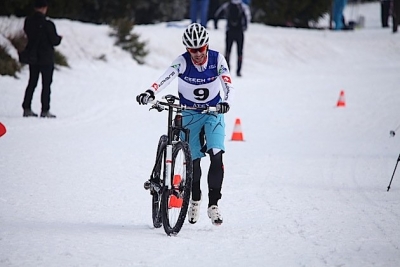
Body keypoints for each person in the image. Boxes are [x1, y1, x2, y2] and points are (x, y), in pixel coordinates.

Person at [136, 23, 234, 226]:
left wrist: (227, 103)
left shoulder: (217, 59)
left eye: (200, 49)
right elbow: (165, 78)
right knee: (194, 161)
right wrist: (150, 92)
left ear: (206, 45)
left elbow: (228, 84)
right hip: (189, 113)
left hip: (213, 112)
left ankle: (214, 204)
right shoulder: (182, 61)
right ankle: (195, 199)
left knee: (216, 154)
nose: (197, 54)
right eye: (192, 50)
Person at [22, 0, 62, 118]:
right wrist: (59, 38)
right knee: (46, 84)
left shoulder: (28, 22)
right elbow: (54, 41)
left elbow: (28, 34)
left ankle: (26, 107)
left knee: (32, 82)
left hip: (33, 57)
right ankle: (45, 110)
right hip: (46, 58)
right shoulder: (48, 24)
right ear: (45, 8)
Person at [214, 0, 251, 77]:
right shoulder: (243, 7)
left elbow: (217, 15)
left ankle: (227, 69)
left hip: (229, 31)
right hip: (239, 32)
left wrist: (216, 25)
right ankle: (238, 71)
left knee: (228, 51)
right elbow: (247, 18)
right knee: (240, 52)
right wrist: (245, 27)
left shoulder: (227, 5)